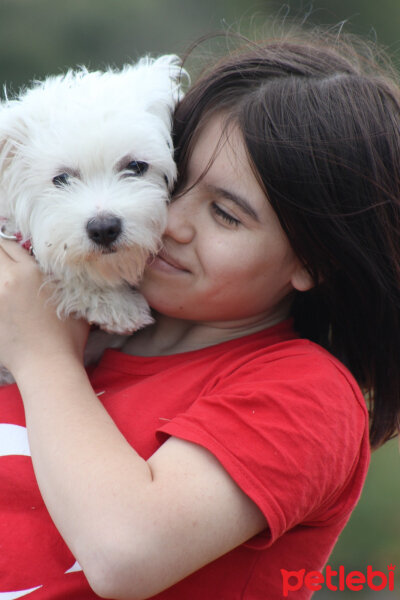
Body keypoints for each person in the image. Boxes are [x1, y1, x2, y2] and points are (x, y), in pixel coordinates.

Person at [1, 29, 400, 600]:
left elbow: (124, 554)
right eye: (170, 179)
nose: (169, 222)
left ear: (315, 259)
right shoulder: (74, 321)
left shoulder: (305, 392)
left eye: (226, 215)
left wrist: (40, 356)